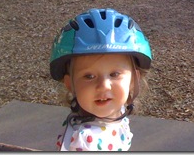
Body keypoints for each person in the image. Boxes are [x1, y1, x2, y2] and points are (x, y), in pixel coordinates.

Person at [49, 8, 153, 151]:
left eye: (115, 74)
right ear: (70, 84)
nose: (104, 86)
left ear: (133, 80)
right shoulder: (86, 142)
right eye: (89, 76)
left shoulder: (117, 112)